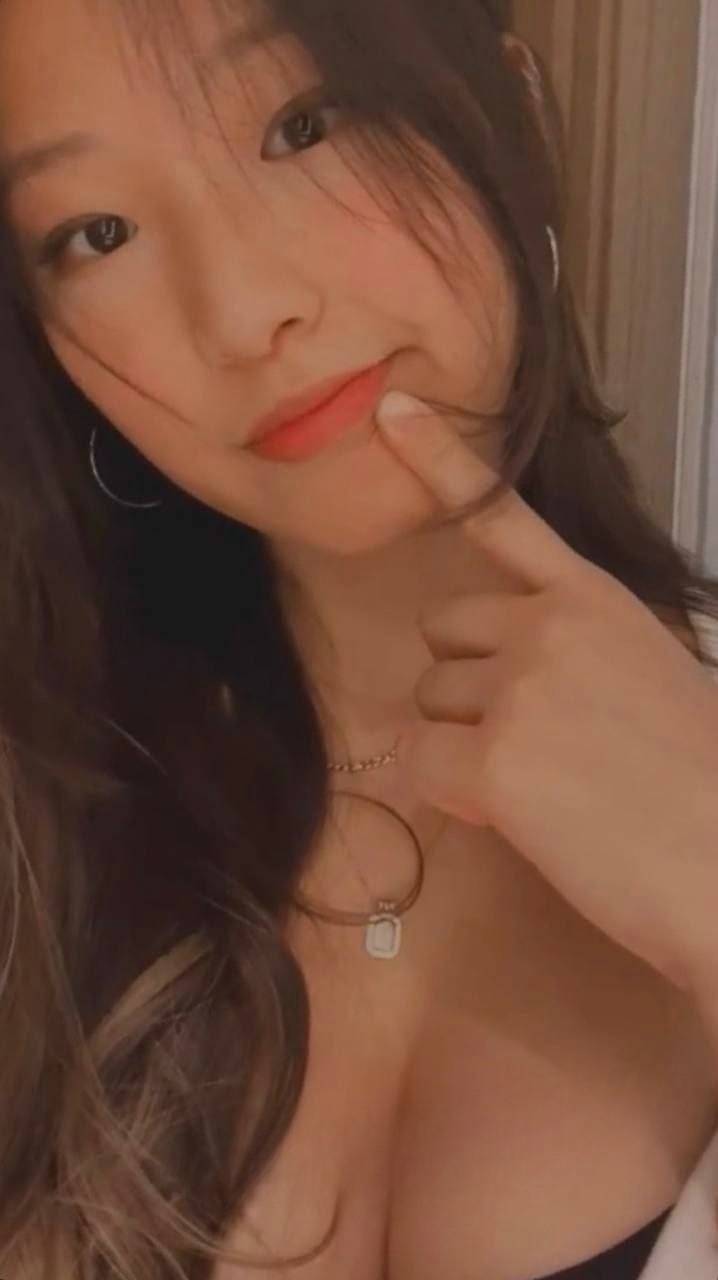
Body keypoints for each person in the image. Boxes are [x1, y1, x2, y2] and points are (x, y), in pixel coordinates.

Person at [0, 0, 717, 1276]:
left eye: (303, 123)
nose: (243, 311)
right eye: (97, 233)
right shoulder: (39, 807)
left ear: (514, 119)